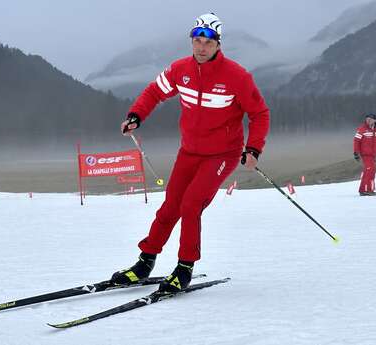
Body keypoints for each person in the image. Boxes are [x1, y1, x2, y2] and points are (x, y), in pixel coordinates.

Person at [110, 13, 270, 293]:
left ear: (218, 44)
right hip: (190, 151)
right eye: (197, 40)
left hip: (223, 154)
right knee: (171, 206)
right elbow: (154, 92)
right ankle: (144, 263)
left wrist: (253, 148)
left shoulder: (236, 76)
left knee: (191, 205)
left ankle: (184, 267)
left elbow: (259, 113)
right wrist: (136, 115)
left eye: (208, 42)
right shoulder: (179, 69)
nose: (201, 47)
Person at [353, 113, 376, 196]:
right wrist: (356, 153)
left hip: (373, 155)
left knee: (371, 171)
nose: (368, 121)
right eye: (367, 119)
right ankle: (365, 190)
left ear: (374, 120)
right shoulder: (362, 129)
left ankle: (367, 189)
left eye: (370, 119)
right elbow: (356, 141)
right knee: (369, 171)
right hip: (365, 154)